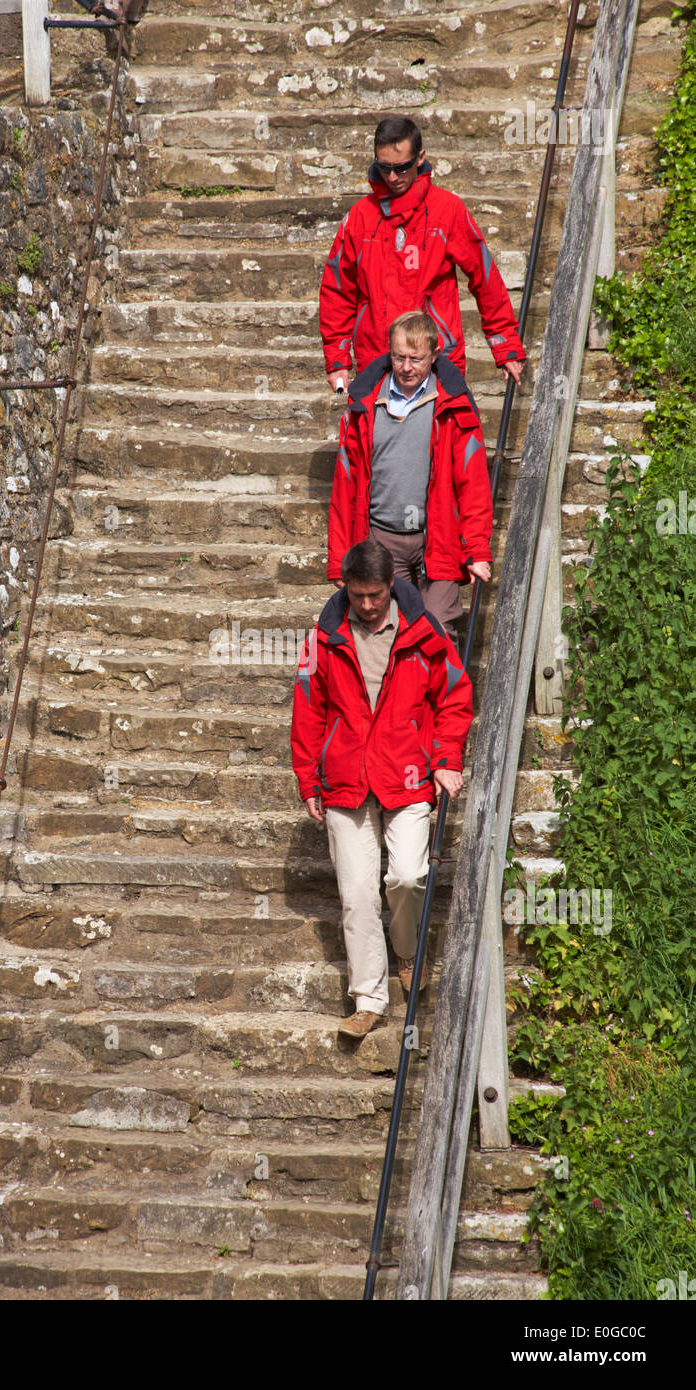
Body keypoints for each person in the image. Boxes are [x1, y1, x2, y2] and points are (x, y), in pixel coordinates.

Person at [290, 539, 473, 1037]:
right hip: (345, 778)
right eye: (357, 595)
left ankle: (408, 951)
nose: (367, 605)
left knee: (409, 877)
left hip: (408, 772)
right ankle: (368, 1000)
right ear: (344, 587)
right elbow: (307, 709)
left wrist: (446, 759)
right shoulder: (321, 639)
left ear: (392, 585)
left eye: (374, 594)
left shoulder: (425, 631)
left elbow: (455, 697)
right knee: (355, 895)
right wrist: (308, 777)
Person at [319, 114, 526, 392]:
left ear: (420, 158)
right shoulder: (359, 218)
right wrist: (337, 361)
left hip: (436, 360)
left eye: (402, 168)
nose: (392, 177)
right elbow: (337, 291)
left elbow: (484, 277)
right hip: (375, 361)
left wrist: (506, 346)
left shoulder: (447, 210)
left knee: (444, 436)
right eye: (384, 168)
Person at [327, 309, 493, 642]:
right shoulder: (363, 406)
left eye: (415, 359)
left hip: (439, 538)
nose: (406, 367)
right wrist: (339, 560)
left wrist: (476, 550)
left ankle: (444, 696)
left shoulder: (455, 406)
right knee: (385, 638)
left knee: (437, 635)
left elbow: (472, 483)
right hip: (380, 540)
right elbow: (344, 487)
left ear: (434, 356)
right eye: (399, 357)